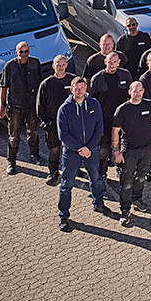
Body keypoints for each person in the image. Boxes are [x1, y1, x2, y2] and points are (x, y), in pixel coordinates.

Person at [56, 76, 110, 232]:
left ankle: (98, 204)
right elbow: (63, 135)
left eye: (82, 87)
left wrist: (89, 147)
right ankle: (63, 215)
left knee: (96, 179)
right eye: (76, 87)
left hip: (92, 150)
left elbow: (99, 128)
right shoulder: (64, 109)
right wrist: (80, 148)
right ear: (71, 89)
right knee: (66, 185)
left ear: (86, 88)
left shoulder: (94, 104)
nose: (79, 90)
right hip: (72, 153)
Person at [112, 81, 151, 227]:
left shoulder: (149, 105)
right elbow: (115, 131)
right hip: (129, 151)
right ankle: (125, 210)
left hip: (146, 149)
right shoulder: (122, 110)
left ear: (143, 91)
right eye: (135, 91)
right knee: (126, 182)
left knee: (141, 177)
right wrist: (116, 152)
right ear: (129, 92)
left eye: (140, 90)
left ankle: (137, 200)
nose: (137, 93)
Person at [0, 41, 42, 175]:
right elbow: (3, 87)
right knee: (14, 136)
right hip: (15, 107)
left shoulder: (35, 63)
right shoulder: (9, 66)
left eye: (26, 51)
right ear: (16, 53)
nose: (23, 54)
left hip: (31, 106)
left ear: (29, 51)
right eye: (21, 52)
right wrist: (1, 107)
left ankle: (35, 155)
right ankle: (12, 161)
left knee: (33, 132)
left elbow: (40, 85)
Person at [88, 52, 132, 179]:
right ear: (105, 62)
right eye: (109, 62)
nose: (112, 65)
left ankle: (121, 170)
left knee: (124, 147)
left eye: (114, 62)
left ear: (119, 62)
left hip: (123, 120)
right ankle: (102, 173)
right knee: (104, 148)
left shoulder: (125, 75)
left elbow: (131, 96)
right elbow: (92, 102)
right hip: (105, 120)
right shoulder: (97, 79)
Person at [36, 54, 73, 185]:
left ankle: (73, 169)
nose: (60, 67)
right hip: (53, 124)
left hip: (72, 124)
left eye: (63, 64)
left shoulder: (73, 81)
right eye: (58, 65)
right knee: (55, 149)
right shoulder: (46, 84)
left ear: (67, 65)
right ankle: (53, 172)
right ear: (53, 66)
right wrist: (47, 124)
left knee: (73, 148)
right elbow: (40, 107)